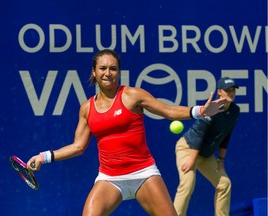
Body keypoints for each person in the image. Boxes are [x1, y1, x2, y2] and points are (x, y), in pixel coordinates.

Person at [27, 49, 227, 216]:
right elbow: (78, 147)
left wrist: (199, 111)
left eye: (113, 68)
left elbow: (168, 111)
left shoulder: (132, 95)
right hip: (109, 178)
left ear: (119, 72)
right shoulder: (87, 108)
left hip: (143, 174)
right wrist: (44, 157)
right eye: (103, 68)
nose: (108, 73)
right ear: (94, 73)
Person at [173, 77, 240, 216]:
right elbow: (199, 133)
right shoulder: (213, 108)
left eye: (233, 90)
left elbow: (226, 135)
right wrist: (192, 159)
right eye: (228, 90)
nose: (231, 93)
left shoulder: (234, 111)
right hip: (188, 149)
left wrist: (221, 159)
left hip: (205, 155)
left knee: (224, 184)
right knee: (187, 185)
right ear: (219, 92)